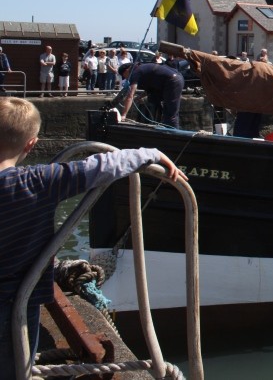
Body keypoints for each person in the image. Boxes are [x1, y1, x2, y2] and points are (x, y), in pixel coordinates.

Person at [0, 97, 186, 379]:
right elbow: (100, 167)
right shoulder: (34, 182)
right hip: (15, 302)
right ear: (31, 145)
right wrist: (151, 153)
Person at [118, 62, 184, 128]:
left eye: (124, 76)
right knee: (157, 102)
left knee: (171, 112)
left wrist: (123, 115)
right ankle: (163, 126)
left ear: (126, 71)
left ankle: (173, 132)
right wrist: (139, 97)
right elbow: (151, 89)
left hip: (172, 81)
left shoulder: (135, 72)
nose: (126, 79)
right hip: (173, 79)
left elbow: (130, 95)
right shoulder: (141, 68)